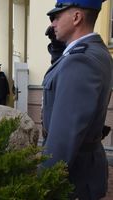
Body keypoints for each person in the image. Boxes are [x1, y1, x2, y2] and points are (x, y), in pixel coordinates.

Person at [41, 0, 113, 199]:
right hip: (85, 166)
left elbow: (63, 139)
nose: (52, 23)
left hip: (73, 177)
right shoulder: (92, 51)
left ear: (76, 17)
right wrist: (58, 49)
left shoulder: (80, 60)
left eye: (57, 16)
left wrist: (41, 183)